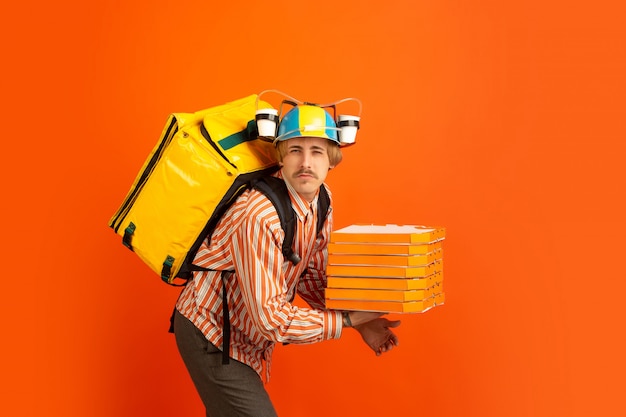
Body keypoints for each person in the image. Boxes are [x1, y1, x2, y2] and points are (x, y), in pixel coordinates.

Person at [173, 103, 401, 417]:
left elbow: (312, 277)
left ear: (332, 159)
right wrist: (347, 320)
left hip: (246, 333)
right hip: (212, 333)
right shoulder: (259, 215)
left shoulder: (322, 200)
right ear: (281, 155)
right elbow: (271, 320)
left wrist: (365, 323)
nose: (306, 163)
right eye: (295, 150)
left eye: (317, 151)